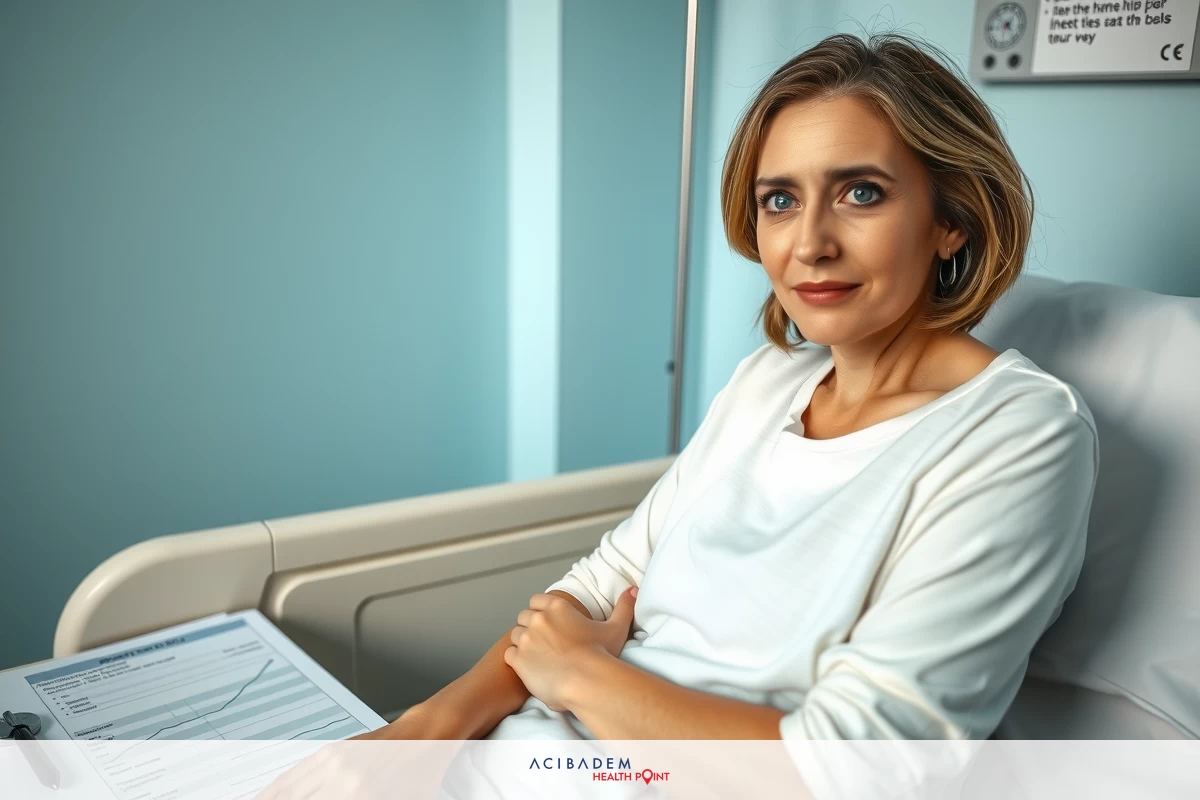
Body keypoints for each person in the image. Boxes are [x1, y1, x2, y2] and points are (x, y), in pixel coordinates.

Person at [363, 32, 1098, 745]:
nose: (808, 242)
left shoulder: (1019, 434)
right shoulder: (769, 382)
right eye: (779, 200)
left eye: (861, 193)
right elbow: (598, 586)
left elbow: (855, 773)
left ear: (952, 218)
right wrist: (416, 735)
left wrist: (582, 675)